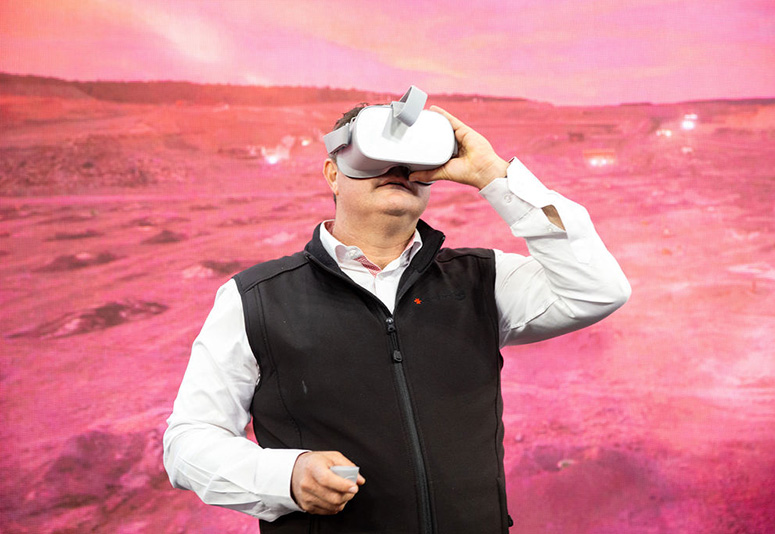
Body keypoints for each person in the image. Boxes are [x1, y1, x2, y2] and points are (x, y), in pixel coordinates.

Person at [163, 102, 631, 533]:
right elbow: (188, 442)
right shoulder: (255, 298)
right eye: (376, 154)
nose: (397, 169)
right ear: (333, 173)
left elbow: (597, 289)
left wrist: (494, 174)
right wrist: (284, 476)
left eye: (411, 158)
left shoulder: (482, 280)